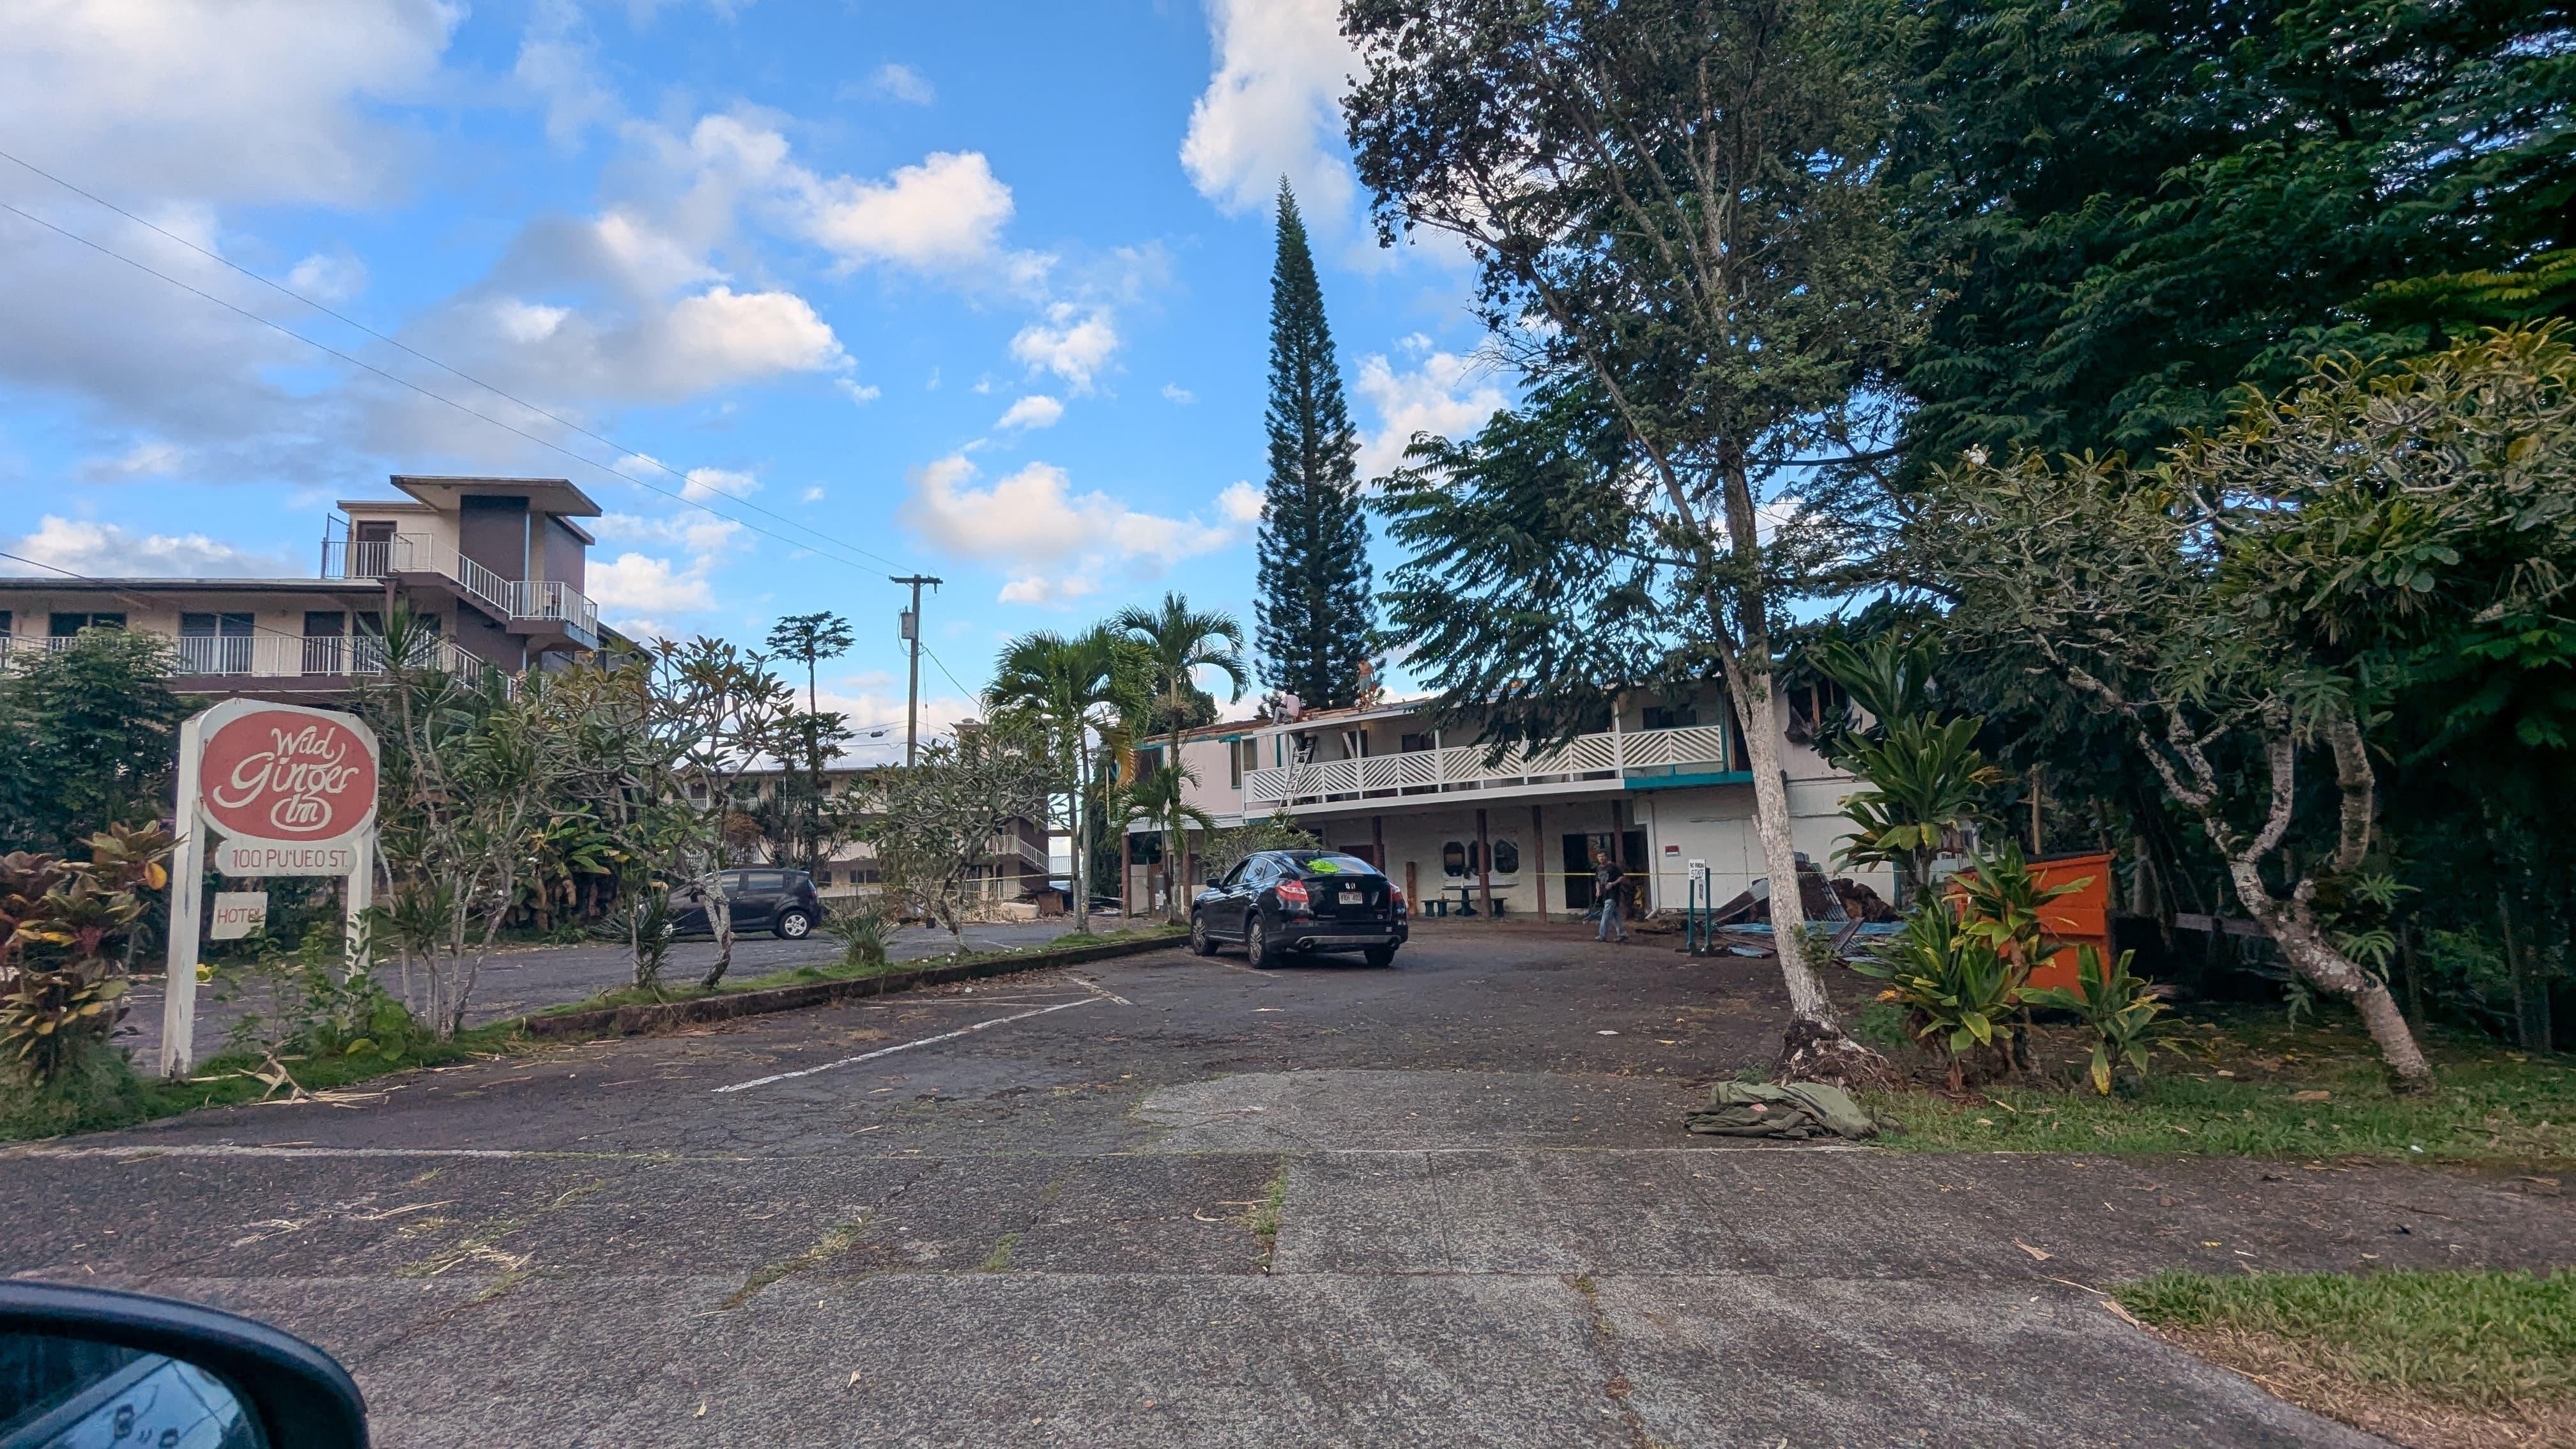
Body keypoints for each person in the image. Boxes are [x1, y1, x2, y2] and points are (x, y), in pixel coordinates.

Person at [1593, 850, 1629, 943]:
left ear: (1606, 857)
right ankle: (1622, 934)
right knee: (1615, 916)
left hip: (1613, 894)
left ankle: (1602, 935)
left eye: (1603, 856)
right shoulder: (1598, 868)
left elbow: (1622, 877)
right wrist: (1598, 890)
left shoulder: (1612, 866)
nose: (1601, 858)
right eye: (1599, 857)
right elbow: (1597, 880)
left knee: (1606, 914)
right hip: (1605, 895)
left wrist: (1613, 884)